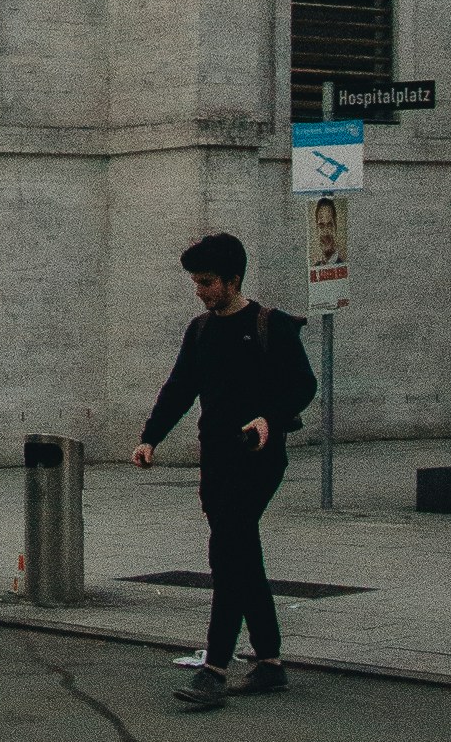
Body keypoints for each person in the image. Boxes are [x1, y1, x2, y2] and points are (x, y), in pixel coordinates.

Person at [131, 231, 317, 711]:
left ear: (233, 279)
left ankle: (214, 668)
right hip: (214, 456)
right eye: (196, 282)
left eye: (208, 282)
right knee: (240, 552)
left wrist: (269, 417)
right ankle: (270, 663)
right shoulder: (200, 331)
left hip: (257, 456)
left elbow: (303, 386)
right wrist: (151, 436)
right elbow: (180, 388)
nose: (200, 290)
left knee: (228, 552)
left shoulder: (269, 325)